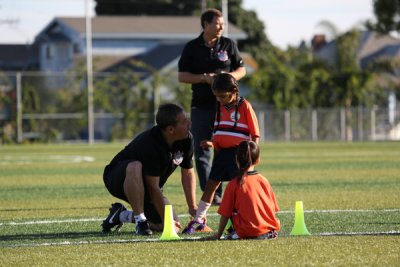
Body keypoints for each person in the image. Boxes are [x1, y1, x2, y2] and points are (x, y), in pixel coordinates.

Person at [178, 8, 246, 205]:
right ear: (205, 24)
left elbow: (242, 69)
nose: (221, 28)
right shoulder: (192, 47)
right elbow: (182, 76)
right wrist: (203, 79)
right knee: (202, 151)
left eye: (223, 24)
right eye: (217, 24)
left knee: (225, 148)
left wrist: (226, 78)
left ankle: (228, 191)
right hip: (201, 106)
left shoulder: (229, 44)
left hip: (226, 107)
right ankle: (211, 194)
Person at [101, 103, 198, 236]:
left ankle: (122, 215)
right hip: (117, 178)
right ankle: (140, 221)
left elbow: (187, 172)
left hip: (146, 186)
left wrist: (193, 207)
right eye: (184, 121)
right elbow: (153, 187)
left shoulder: (187, 139)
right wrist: (166, 221)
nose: (189, 122)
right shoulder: (150, 144)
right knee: (135, 166)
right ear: (170, 129)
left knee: (170, 224)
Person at [182, 73, 259, 234]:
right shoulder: (220, 107)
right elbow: (220, 131)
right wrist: (212, 143)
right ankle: (199, 220)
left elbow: (255, 134)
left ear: (234, 90)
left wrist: (252, 156)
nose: (219, 99)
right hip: (222, 154)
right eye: (217, 96)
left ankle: (238, 222)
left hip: (239, 155)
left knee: (236, 189)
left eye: (223, 96)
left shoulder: (245, 106)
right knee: (211, 186)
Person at [206, 140, 280, 240]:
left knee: (231, 229)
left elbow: (225, 214)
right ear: (258, 160)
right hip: (269, 233)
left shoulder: (233, 184)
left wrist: (218, 235)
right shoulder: (264, 180)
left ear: (236, 159)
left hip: (246, 234)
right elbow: (273, 209)